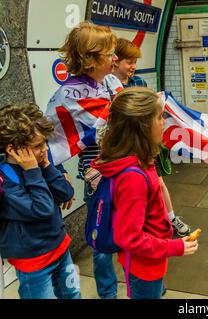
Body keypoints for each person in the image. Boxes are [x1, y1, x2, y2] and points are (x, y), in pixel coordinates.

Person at [91, 86, 198, 299]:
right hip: (143, 265)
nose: (164, 122)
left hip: (150, 260)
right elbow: (129, 237)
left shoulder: (141, 161)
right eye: (159, 117)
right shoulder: (134, 177)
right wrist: (175, 246)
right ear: (143, 127)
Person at [45, 21, 122, 299]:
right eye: (109, 53)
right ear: (90, 58)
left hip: (128, 172)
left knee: (136, 227)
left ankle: (145, 285)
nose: (115, 59)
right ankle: (108, 294)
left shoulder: (112, 82)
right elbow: (48, 137)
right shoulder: (67, 96)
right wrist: (57, 170)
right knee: (102, 240)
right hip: (99, 178)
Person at [0, 103, 80, 299]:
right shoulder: (6, 181)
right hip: (33, 262)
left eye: (45, 143)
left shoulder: (39, 163)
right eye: (38, 146)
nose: (45, 149)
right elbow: (42, 209)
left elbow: (66, 193)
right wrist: (33, 171)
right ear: (13, 149)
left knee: (73, 295)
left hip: (60, 249)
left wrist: (46, 166)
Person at [113, 38, 191, 237]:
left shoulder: (139, 82)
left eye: (135, 62)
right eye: (129, 62)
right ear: (116, 61)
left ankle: (171, 218)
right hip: (125, 149)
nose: (133, 67)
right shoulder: (108, 87)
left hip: (144, 144)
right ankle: (147, 226)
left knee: (158, 182)